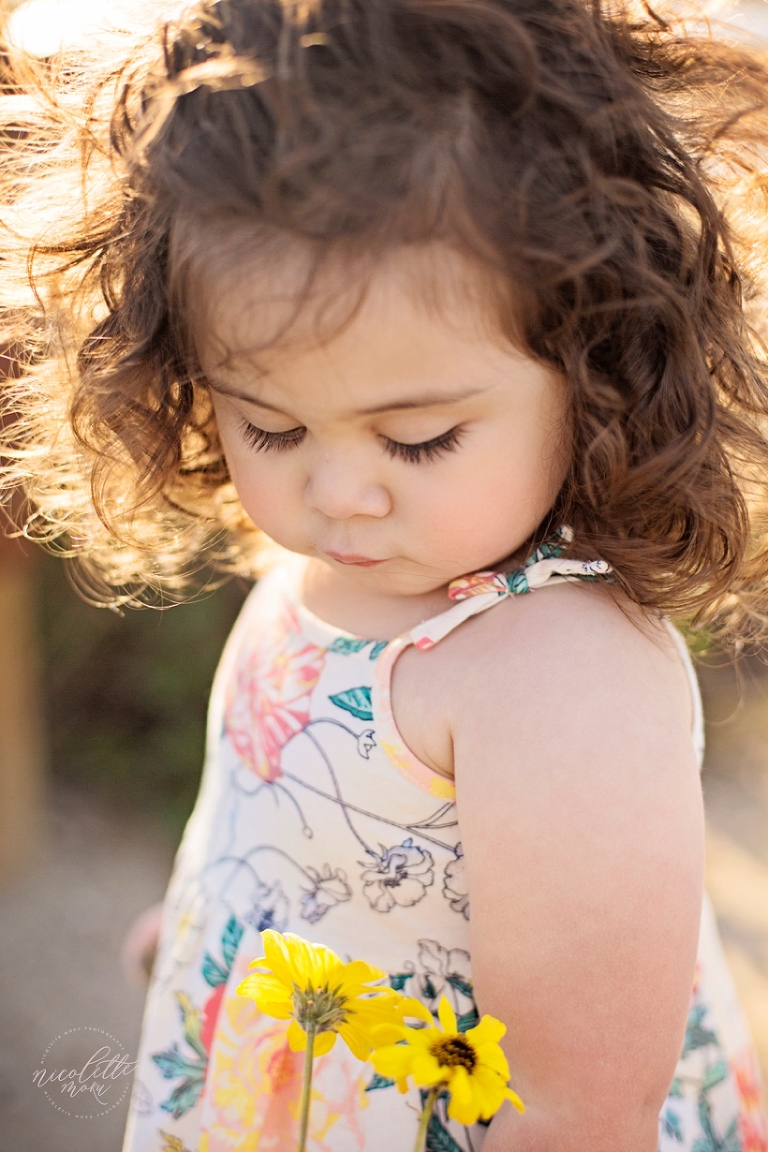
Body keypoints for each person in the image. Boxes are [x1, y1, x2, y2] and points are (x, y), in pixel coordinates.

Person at [2, 0, 768, 1148]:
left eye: (418, 440)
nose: (338, 493)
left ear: (594, 360)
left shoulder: (559, 676)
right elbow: (318, 818)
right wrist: (220, 919)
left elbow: (579, 1111)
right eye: (268, 426)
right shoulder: (356, 557)